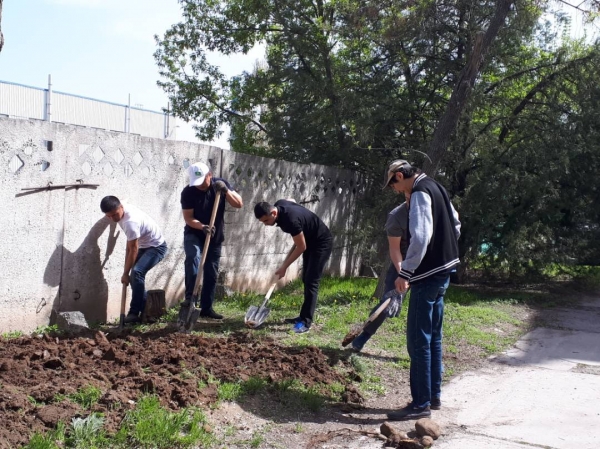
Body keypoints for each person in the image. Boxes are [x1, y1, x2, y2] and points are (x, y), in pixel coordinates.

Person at [383, 159, 461, 421]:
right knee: (433, 337)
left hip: (427, 277)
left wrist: (406, 272)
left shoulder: (419, 192)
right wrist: (443, 250)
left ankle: (419, 404)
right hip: (444, 273)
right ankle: (434, 397)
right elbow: (456, 224)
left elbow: (421, 234)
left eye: (394, 183)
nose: (395, 189)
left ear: (401, 175)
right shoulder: (437, 186)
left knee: (418, 341)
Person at [253, 199, 333, 333]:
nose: (265, 225)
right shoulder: (279, 204)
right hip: (310, 240)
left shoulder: (291, 221)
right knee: (306, 279)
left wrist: (284, 267)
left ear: (273, 212)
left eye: (266, 221)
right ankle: (302, 316)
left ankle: (306, 322)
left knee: (311, 281)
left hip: (321, 243)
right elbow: (291, 200)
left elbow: (301, 247)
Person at [180, 161, 243, 319]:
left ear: (210, 175)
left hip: (215, 236)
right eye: (196, 182)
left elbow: (239, 204)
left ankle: (207, 308)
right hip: (194, 232)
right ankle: (190, 299)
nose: (199, 186)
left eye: (202, 181)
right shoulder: (188, 192)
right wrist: (202, 226)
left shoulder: (220, 185)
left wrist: (226, 191)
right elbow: (188, 218)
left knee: (211, 271)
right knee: (192, 257)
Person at [351, 194, 410, 352]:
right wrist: (403, 274)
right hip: (402, 263)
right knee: (387, 302)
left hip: (427, 267)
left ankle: (429, 356)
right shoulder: (397, 216)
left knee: (425, 311)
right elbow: (395, 249)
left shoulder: (433, 210)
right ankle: (364, 335)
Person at [100, 196, 167, 324]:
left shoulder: (130, 223)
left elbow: (133, 249)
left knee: (136, 273)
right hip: (144, 244)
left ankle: (134, 313)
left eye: (115, 214)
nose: (113, 219)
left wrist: (125, 274)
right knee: (136, 278)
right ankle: (147, 311)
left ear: (121, 207)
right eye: (109, 216)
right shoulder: (121, 205)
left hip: (157, 247)